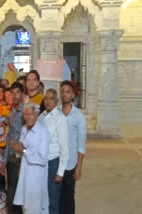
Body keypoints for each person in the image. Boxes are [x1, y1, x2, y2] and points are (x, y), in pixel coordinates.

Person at [13, 102, 50, 214]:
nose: (28, 117)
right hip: (24, 175)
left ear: (37, 114)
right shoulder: (24, 129)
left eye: (30, 114)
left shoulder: (43, 132)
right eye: (25, 114)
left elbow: (42, 158)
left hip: (35, 178)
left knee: (34, 208)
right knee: (25, 207)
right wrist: (17, 148)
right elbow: (22, 152)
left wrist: (23, 150)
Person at [38, 89, 69, 214]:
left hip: (53, 163)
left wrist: (60, 173)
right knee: (42, 199)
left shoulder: (60, 119)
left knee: (52, 200)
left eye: (51, 98)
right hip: (41, 163)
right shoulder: (41, 116)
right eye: (46, 98)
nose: (48, 101)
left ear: (56, 102)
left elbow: (64, 148)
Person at [58, 81, 86, 214]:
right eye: (62, 91)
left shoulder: (78, 116)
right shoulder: (55, 112)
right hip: (56, 162)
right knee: (56, 197)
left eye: (68, 91)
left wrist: (79, 167)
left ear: (73, 95)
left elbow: (81, 144)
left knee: (68, 198)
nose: (64, 94)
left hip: (70, 164)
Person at [2, 82, 25, 214]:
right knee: (11, 191)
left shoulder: (26, 112)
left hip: (21, 158)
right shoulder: (11, 111)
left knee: (15, 195)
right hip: (11, 157)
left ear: (22, 94)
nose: (14, 95)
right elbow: (8, 137)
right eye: (12, 93)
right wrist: (4, 161)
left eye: (17, 92)